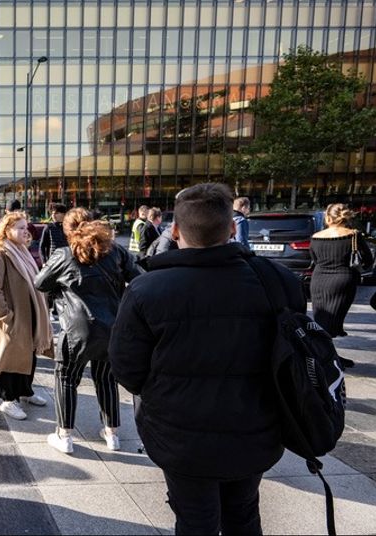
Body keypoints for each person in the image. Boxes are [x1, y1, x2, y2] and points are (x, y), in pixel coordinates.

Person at [110, 183, 303, 535]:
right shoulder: (279, 280)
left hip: (180, 437)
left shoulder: (146, 289)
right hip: (256, 430)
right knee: (243, 515)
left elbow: (127, 369)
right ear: (232, 228)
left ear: (175, 230)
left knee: (195, 520)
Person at [36, 208, 140, 452]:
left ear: (69, 230)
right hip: (112, 327)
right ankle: (112, 434)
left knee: (66, 378)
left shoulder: (64, 254)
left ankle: (65, 436)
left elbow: (40, 282)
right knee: (106, 379)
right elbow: (138, 277)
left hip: (76, 329)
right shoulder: (115, 252)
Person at [0, 212, 53, 420]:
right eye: (20, 227)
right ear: (7, 229)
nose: (25, 231)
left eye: (25, 227)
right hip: (12, 317)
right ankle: (7, 399)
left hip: (28, 314)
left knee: (27, 354)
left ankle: (25, 391)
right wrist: (6, 317)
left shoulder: (21, 249)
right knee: (8, 357)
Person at [309, 203, 373, 367]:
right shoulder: (353, 235)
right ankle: (325, 358)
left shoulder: (316, 236)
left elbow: (315, 259)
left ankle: (327, 356)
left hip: (319, 280)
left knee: (321, 320)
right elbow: (368, 260)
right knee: (331, 322)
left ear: (328, 218)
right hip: (343, 280)